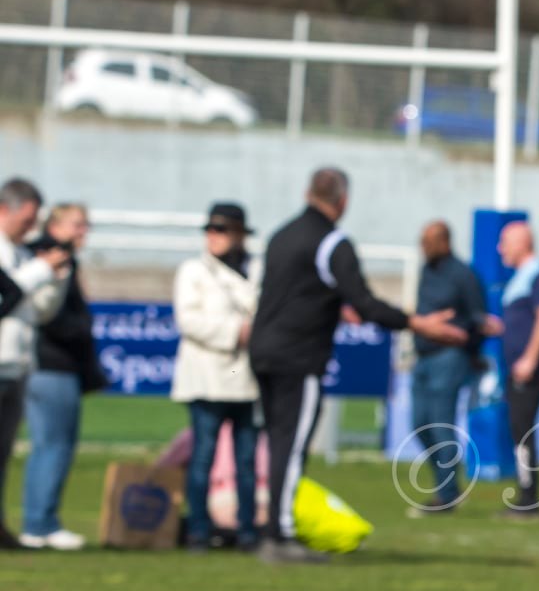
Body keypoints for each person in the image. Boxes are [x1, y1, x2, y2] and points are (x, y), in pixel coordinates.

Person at [248, 168, 466, 563]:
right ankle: (278, 535)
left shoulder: (282, 234)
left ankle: (270, 529)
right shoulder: (333, 242)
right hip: (298, 357)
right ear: (343, 201)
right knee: (291, 447)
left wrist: (334, 307)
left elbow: (297, 291)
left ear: (307, 191)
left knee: (278, 441)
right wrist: (417, 323)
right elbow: (364, 301)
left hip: (263, 351)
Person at [172, 202, 263, 552]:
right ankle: (198, 529)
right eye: (210, 229)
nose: (214, 236)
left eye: (222, 230)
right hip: (207, 376)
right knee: (203, 456)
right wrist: (235, 331)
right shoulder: (193, 271)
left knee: (246, 461)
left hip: (245, 377)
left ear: (240, 234)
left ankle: (247, 531)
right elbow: (189, 321)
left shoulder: (257, 271)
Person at [22, 204, 100, 550]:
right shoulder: (46, 256)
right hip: (49, 363)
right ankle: (39, 523)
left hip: (58, 363)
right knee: (52, 445)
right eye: (77, 224)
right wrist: (78, 331)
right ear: (55, 225)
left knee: (57, 444)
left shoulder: (65, 258)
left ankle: (43, 520)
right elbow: (42, 312)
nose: (83, 231)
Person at [0, 177, 70, 551]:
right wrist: (40, 271)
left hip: (17, 364)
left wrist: (57, 278)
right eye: (26, 219)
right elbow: (4, 297)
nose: (31, 228)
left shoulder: (23, 255)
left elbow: (38, 312)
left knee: (3, 453)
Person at [407, 221, 495, 516]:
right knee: (419, 424)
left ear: (444, 241)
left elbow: (478, 318)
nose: (423, 246)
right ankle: (445, 488)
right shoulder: (426, 271)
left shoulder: (463, 274)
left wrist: (471, 351)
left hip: (450, 357)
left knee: (440, 425)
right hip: (423, 357)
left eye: (427, 241)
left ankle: (447, 495)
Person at [497, 220, 539, 517]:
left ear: (522, 243)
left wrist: (530, 358)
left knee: (523, 429)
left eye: (504, 241)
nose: (499, 248)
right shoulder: (521, 276)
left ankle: (528, 499)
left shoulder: (536, 275)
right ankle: (525, 495)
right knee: (518, 429)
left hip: (529, 369)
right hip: (517, 368)